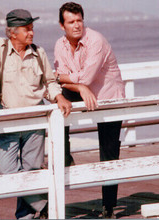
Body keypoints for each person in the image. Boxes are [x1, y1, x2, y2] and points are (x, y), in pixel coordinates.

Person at [0, 9, 72, 219]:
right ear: (13, 33)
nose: (31, 33)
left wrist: (59, 98)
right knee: (6, 171)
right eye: (27, 29)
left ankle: (26, 216)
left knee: (32, 171)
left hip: (35, 122)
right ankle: (45, 202)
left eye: (32, 28)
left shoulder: (38, 52)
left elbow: (49, 82)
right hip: (8, 121)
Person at [54, 2, 125, 218]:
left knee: (109, 150)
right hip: (82, 93)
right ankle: (64, 154)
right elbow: (68, 81)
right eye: (71, 22)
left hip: (108, 97)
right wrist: (78, 85)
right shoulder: (60, 44)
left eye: (79, 21)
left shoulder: (96, 40)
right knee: (60, 100)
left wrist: (65, 78)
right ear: (61, 25)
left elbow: (78, 77)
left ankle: (109, 207)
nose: (76, 26)